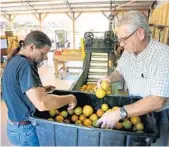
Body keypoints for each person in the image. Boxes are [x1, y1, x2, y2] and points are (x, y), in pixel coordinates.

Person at [96, 11, 169, 146]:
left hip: (158, 115)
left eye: (124, 39)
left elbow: (158, 100)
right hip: (133, 110)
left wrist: (121, 113)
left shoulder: (164, 56)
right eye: (119, 40)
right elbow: (120, 71)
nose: (121, 45)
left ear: (140, 33)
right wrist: (108, 79)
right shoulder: (129, 52)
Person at [2, 31, 77, 146]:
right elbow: (42, 104)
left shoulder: (14, 60)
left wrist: (41, 89)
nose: (45, 57)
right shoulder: (26, 64)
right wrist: (70, 98)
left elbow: (16, 90)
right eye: (42, 53)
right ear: (32, 47)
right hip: (26, 130)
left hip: (13, 127)